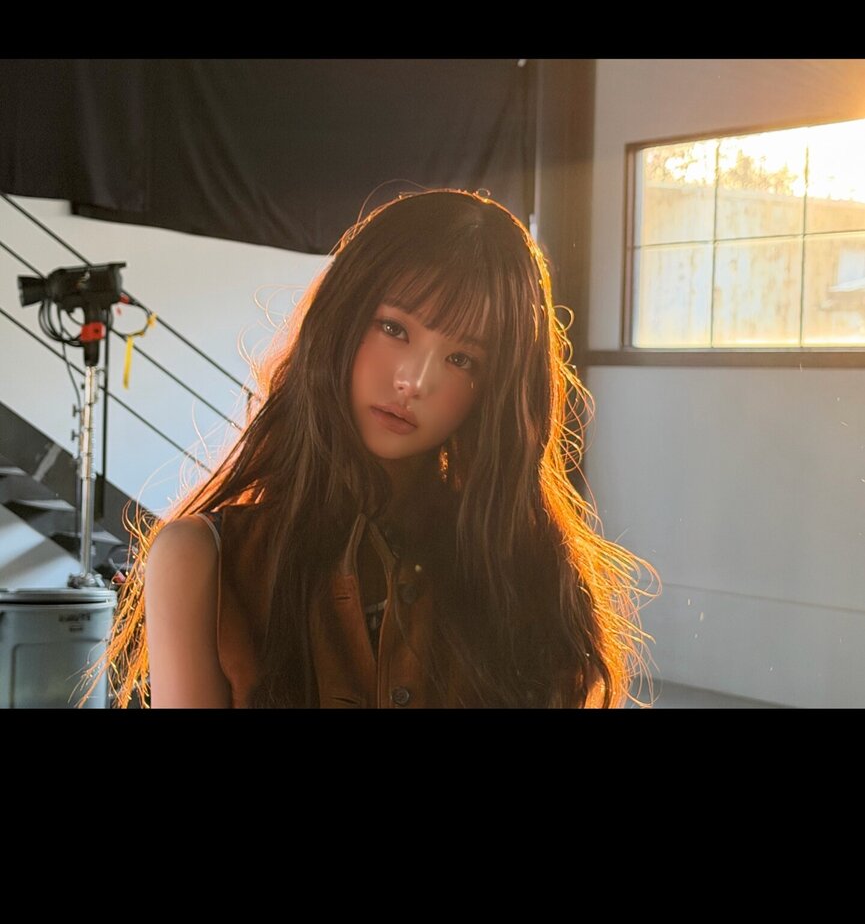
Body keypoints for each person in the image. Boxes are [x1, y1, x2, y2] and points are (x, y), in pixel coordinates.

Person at [93, 188, 655, 709]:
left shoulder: (528, 566)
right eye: (394, 328)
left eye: (461, 359)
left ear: (494, 389)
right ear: (341, 317)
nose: (414, 381)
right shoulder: (206, 562)